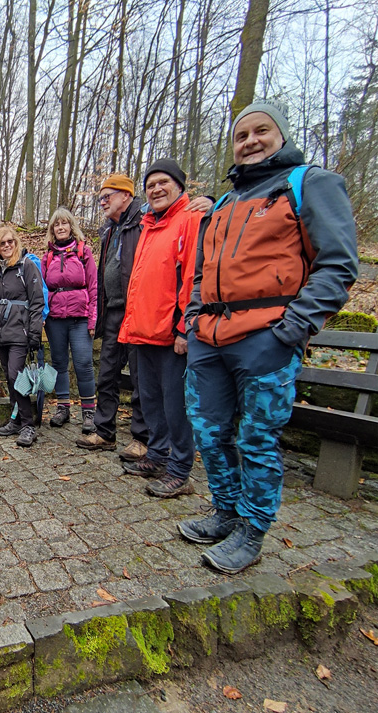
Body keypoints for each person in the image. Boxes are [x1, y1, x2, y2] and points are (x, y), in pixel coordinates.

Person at [181, 99, 358, 574]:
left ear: (281, 135)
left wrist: (293, 328)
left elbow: (338, 264)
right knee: (210, 432)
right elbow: (200, 273)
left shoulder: (309, 184)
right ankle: (225, 511)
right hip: (209, 338)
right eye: (241, 136)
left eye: (261, 131)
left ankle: (252, 530)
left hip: (266, 337)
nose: (251, 141)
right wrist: (193, 319)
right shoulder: (222, 204)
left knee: (256, 438)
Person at [118, 159, 201, 498]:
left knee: (175, 405)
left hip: (171, 334)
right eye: (150, 184)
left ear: (180, 186)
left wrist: (185, 328)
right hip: (143, 330)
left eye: (163, 182)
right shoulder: (149, 226)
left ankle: (180, 471)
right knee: (150, 400)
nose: (156, 189)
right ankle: (155, 456)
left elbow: (195, 275)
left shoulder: (189, 220)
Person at [75, 175, 148, 460]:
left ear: (126, 196)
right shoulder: (109, 230)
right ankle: (105, 432)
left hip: (137, 311)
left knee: (141, 377)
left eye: (108, 195)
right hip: (113, 312)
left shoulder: (142, 222)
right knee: (107, 374)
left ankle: (142, 438)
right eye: (100, 197)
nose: (102, 201)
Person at [0, 226, 46, 447]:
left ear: (16, 242)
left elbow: (37, 302)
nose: (7, 245)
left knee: (16, 377)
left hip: (20, 333)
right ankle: (17, 421)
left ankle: (28, 424)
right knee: (10, 379)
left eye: (11, 241)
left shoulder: (26, 267)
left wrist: (34, 334)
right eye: (3, 243)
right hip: (2, 334)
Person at [40, 207, 97, 432]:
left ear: (71, 226)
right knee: (59, 364)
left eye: (64, 223)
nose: (61, 227)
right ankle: (63, 408)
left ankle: (88, 412)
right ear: (53, 230)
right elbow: (43, 289)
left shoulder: (84, 252)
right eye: (56, 225)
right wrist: (43, 316)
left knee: (83, 364)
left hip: (80, 318)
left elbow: (93, 286)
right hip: (55, 319)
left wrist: (93, 320)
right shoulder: (48, 257)